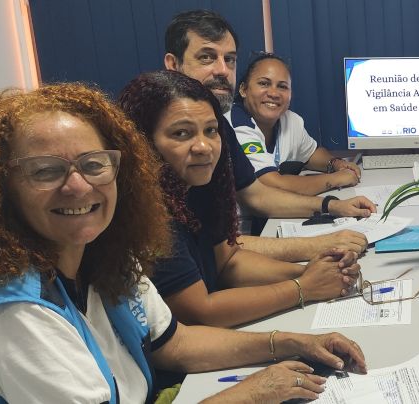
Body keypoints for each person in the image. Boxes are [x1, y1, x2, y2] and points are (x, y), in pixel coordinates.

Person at [0, 83, 366, 404]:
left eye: (94, 164)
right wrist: (250, 393)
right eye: (46, 170)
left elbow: (176, 343)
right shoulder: (13, 314)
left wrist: (293, 342)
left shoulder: (104, 253)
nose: (78, 187)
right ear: (1, 189)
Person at [119, 70, 361, 329]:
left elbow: (228, 262)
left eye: (211, 131)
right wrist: (303, 288)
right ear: (142, 142)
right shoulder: (147, 214)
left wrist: (311, 272)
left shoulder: (199, 185)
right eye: (181, 134)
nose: (203, 146)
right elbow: (201, 311)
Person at [163, 10, 373, 261]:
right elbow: (217, 256)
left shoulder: (222, 126)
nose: (222, 70)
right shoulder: (165, 136)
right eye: (207, 57)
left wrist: (331, 204)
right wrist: (312, 260)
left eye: (229, 60)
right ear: (173, 65)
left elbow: (257, 196)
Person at [233, 52, 362, 195]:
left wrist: (336, 164)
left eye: (282, 86)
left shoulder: (291, 120)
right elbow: (271, 184)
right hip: (243, 216)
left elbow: (311, 154)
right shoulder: (236, 126)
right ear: (243, 89)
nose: (274, 93)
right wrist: (335, 179)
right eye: (264, 83)